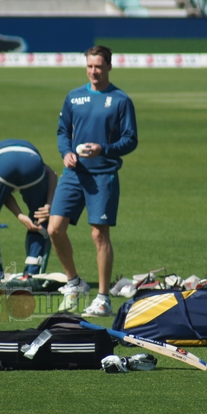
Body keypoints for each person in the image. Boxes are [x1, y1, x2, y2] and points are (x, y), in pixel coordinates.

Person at [48, 46, 138, 317]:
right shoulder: (74, 97)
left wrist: (103, 149)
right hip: (74, 174)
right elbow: (63, 131)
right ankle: (75, 282)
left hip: (103, 175)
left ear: (109, 66)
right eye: (89, 66)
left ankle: (102, 299)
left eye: (98, 66)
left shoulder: (121, 100)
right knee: (54, 229)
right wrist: (66, 153)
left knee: (99, 234)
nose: (93, 71)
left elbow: (130, 139)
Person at [0, 139, 57, 283]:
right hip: (32, 160)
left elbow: (1, 194)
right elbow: (52, 174)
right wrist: (48, 205)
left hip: (3, 163)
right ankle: (31, 274)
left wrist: (19, 215)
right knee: (40, 215)